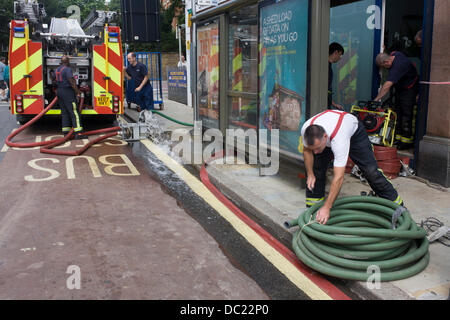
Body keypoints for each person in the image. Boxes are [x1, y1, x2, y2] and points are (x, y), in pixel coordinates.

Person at [301, 109, 403, 225]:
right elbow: (307, 151)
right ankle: (312, 210)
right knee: (316, 169)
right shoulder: (306, 129)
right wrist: (310, 174)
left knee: (371, 172)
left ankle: (398, 206)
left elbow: (338, 178)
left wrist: (327, 208)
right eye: (314, 148)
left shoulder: (339, 139)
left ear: (325, 137)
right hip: (330, 135)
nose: (316, 152)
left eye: (318, 148)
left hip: (354, 133)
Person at [374, 52, 419, 149]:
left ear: (386, 62)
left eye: (384, 67)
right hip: (401, 89)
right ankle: (398, 138)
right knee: (398, 113)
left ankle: (407, 141)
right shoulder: (395, 54)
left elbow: (387, 85)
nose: (386, 69)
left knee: (407, 115)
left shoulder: (399, 65)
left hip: (409, 91)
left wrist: (377, 99)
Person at [55, 55, 87, 139]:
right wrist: (78, 92)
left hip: (59, 91)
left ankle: (66, 132)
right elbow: (72, 82)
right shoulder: (68, 69)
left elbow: (53, 79)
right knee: (74, 112)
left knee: (64, 112)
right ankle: (79, 133)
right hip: (67, 92)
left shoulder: (58, 69)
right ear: (68, 62)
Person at [328, 43, 344, 111]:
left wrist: (333, 104)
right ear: (335, 52)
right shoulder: (325, 67)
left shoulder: (328, 66)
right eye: (340, 55)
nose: (340, 58)